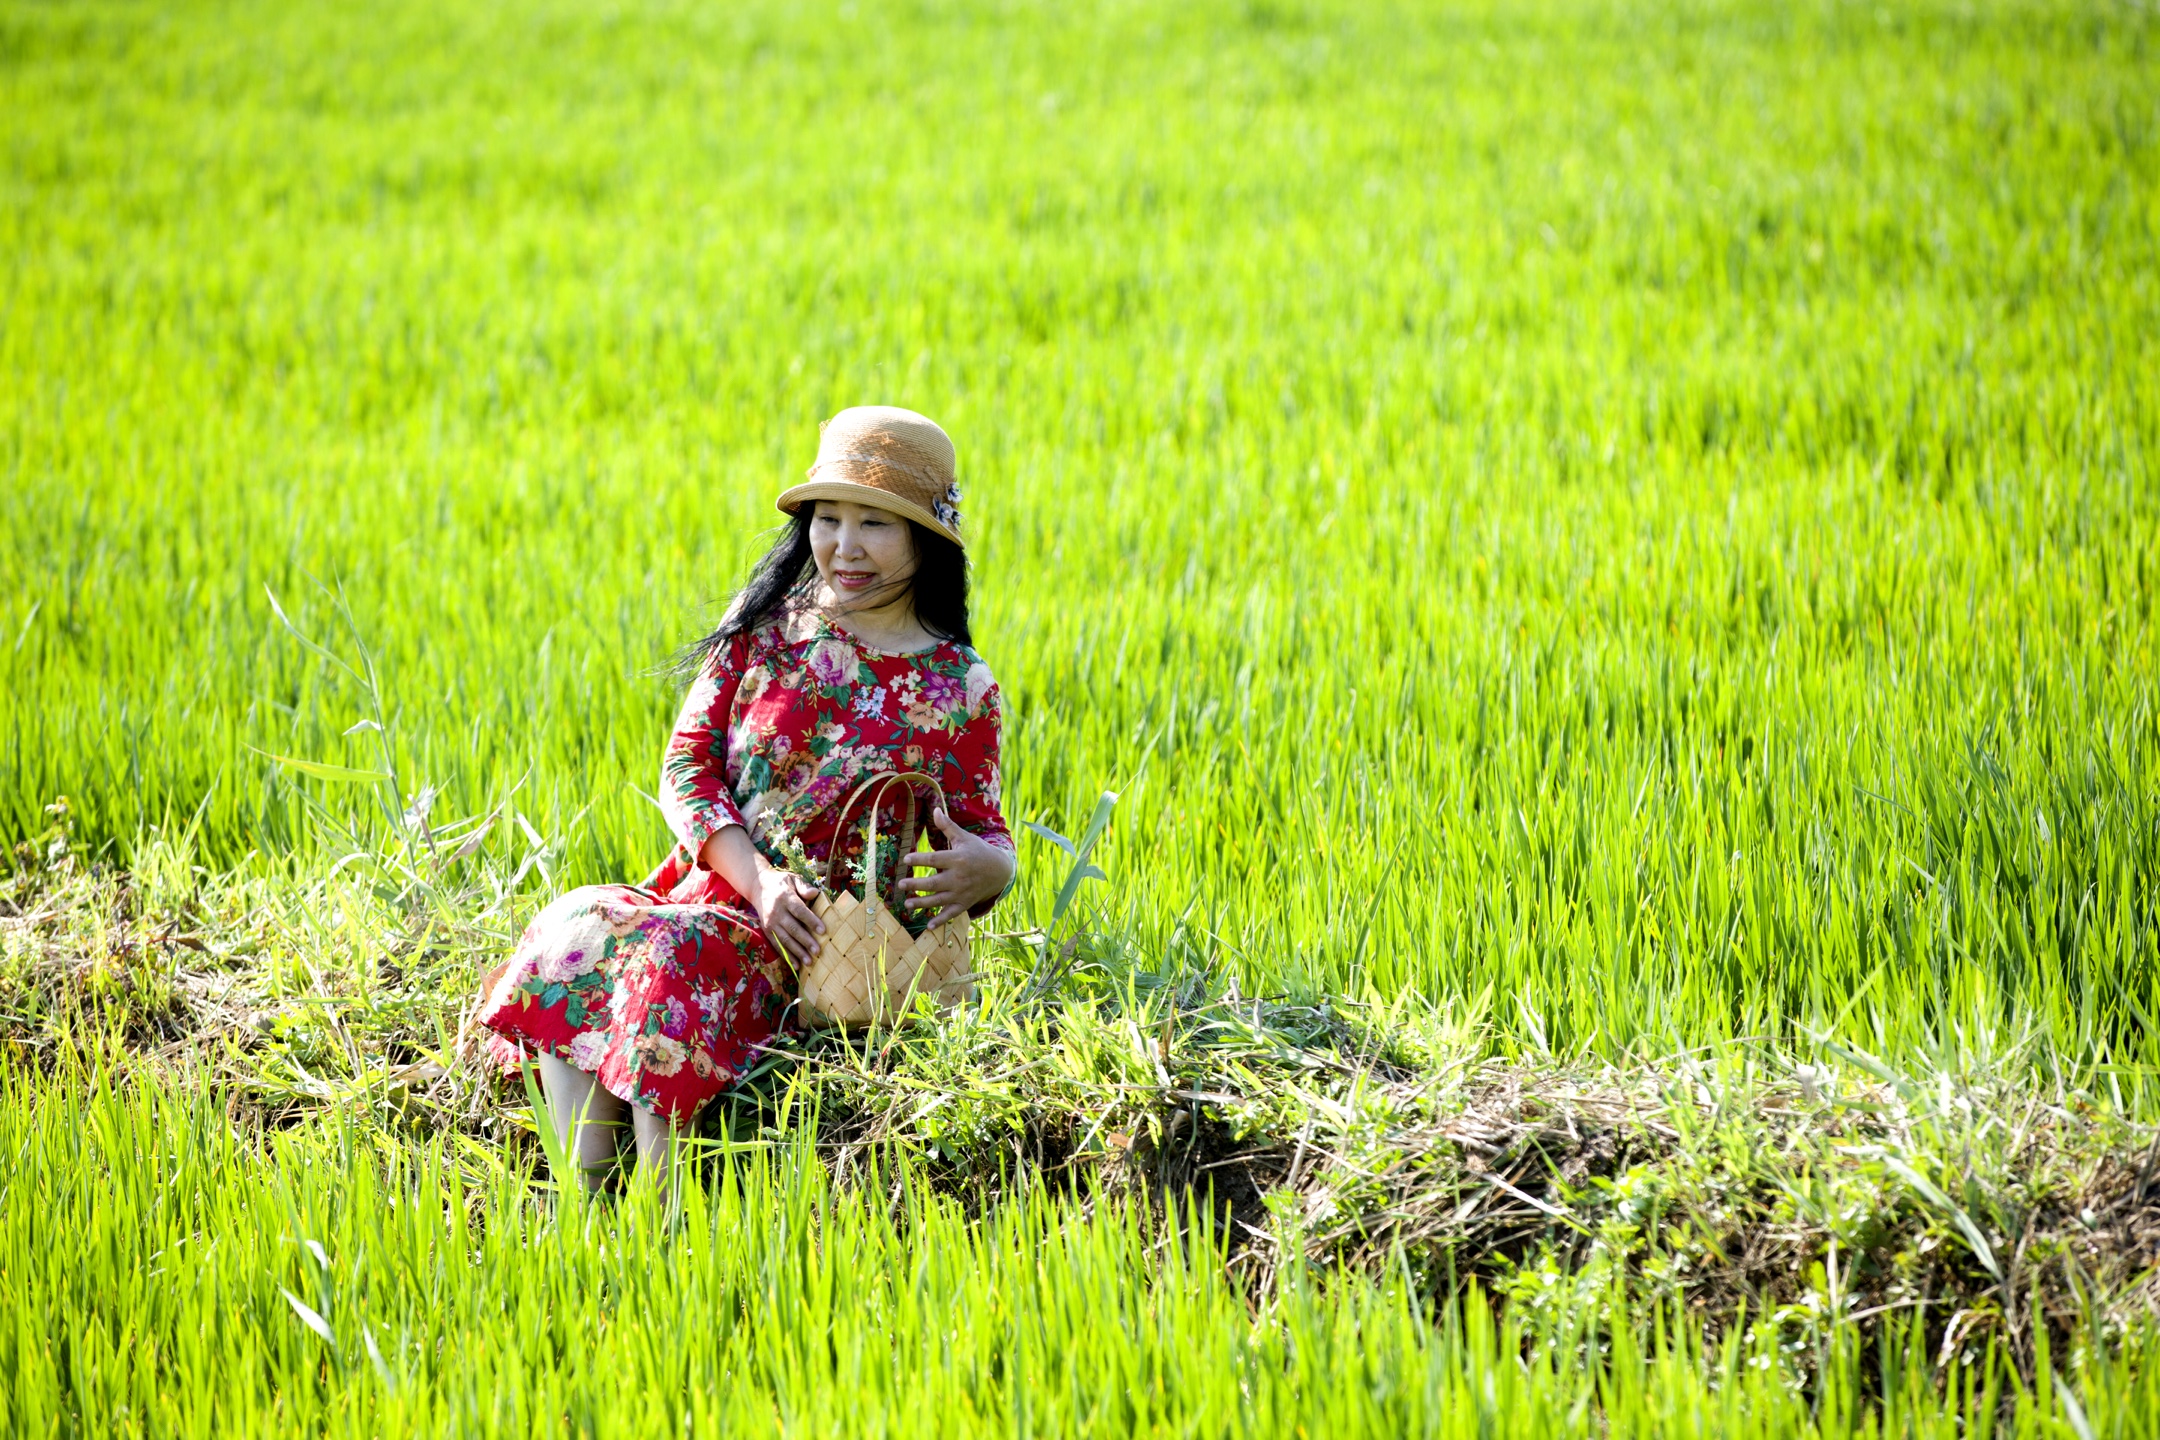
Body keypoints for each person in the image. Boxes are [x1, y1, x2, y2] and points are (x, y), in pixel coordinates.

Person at [475, 406, 1017, 1190]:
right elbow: (687, 767)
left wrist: (990, 871)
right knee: (574, 922)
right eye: (829, 519)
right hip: (729, 894)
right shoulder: (763, 629)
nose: (844, 545)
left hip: (826, 945)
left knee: (671, 956)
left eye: (875, 523)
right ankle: (584, 1199)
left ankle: (660, 1213)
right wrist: (758, 883)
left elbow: (983, 830)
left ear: (924, 540)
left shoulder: (960, 686)